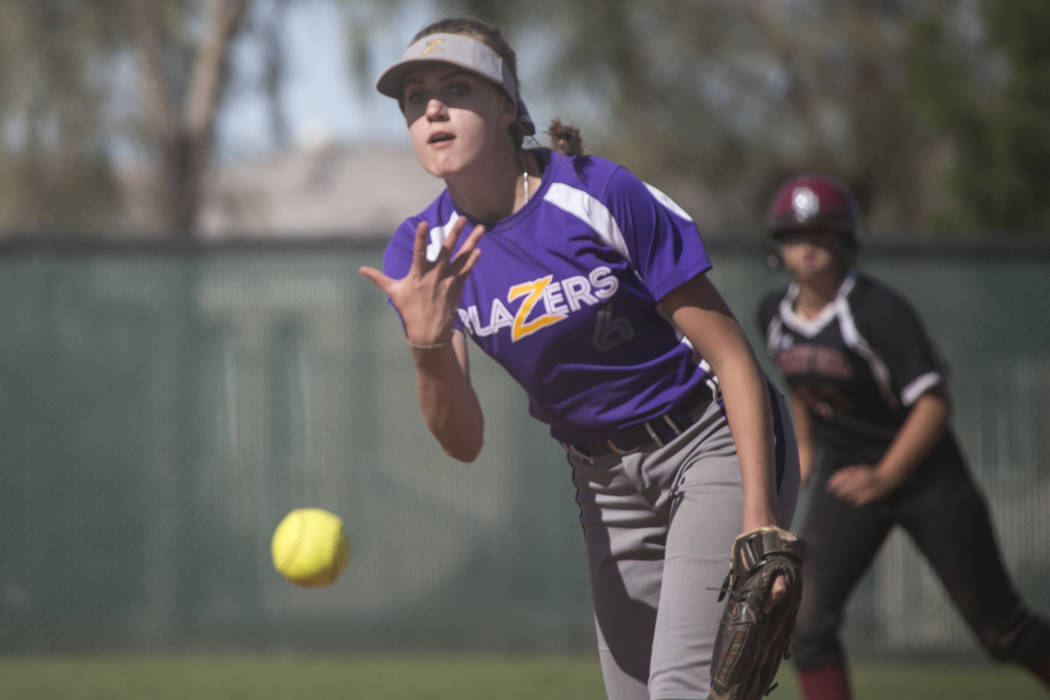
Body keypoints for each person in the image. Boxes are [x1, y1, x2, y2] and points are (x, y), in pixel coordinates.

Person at [359, 17, 800, 700]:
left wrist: (760, 511)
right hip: (601, 482)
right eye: (415, 99)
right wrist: (425, 345)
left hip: (707, 444)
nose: (432, 109)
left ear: (507, 107)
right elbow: (464, 441)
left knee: (682, 692)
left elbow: (732, 355)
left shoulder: (597, 193)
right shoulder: (422, 252)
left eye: (455, 88)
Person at [756, 174, 1050, 700]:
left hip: (926, 478)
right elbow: (800, 386)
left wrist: (886, 474)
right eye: (795, 236)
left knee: (1002, 630)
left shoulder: (876, 311)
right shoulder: (773, 317)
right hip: (847, 478)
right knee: (808, 621)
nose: (807, 248)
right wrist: (801, 457)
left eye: (821, 234)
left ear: (845, 239)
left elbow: (934, 403)